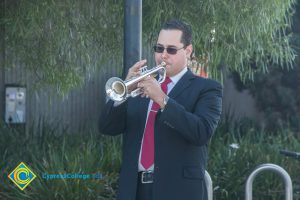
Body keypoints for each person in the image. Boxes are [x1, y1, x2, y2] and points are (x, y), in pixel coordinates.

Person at [99, 19, 223, 200]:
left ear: (188, 51)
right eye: (159, 48)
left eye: (171, 50)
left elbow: (201, 132)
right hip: (134, 190)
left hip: (179, 191)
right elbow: (106, 127)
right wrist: (124, 92)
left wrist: (162, 99)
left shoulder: (207, 88)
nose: (163, 55)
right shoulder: (142, 85)